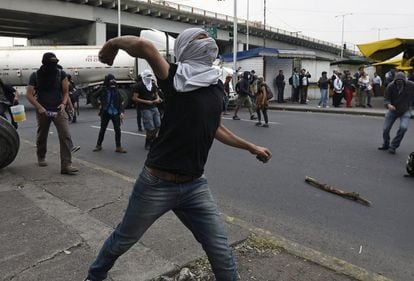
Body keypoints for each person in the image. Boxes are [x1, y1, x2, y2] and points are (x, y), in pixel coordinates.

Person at [84, 27, 272, 281]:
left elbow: (216, 127)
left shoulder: (215, 85)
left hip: (195, 186)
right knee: (123, 240)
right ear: (183, 47)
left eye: (208, 38)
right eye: (199, 38)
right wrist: (112, 43)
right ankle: (94, 276)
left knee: (220, 250)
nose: (207, 41)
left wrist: (251, 147)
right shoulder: (174, 78)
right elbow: (146, 48)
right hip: (156, 184)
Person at [26, 52, 78, 175]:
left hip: (59, 110)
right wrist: (39, 107)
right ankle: (41, 155)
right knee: (42, 135)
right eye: (50, 63)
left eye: (55, 63)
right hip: (43, 110)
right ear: (44, 63)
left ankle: (66, 165)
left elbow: (65, 92)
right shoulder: (35, 76)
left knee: (65, 135)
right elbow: (29, 94)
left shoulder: (61, 74)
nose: (53, 66)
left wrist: (64, 104)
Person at [378, 72, 414, 154]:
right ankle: (386, 144)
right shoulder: (390, 86)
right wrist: (388, 104)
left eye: (401, 81)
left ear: (405, 80)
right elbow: (386, 98)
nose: (399, 83)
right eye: (397, 81)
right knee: (386, 129)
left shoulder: (411, 85)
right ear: (394, 80)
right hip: (393, 110)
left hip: (405, 110)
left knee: (403, 128)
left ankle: (393, 146)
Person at [92, 74, 127, 153]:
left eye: (113, 80)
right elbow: (94, 96)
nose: (112, 82)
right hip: (105, 112)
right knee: (103, 129)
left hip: (115, 112)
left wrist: (121, 112)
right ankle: (98, 145)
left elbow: (121, 102)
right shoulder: (103, 89)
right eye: (110, 80)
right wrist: (99, 103)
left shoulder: (116, 90)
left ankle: (118, 147)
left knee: (117, 130)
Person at [132, 69, 162, 150]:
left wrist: (157, 99)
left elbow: (156, 95)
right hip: (145, 108)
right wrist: (146, 101)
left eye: (150, 76)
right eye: (147, 76)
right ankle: (148, 141)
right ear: (144, 77)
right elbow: (134, 98)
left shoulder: (152, 85)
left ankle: (153, 139)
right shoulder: (138, 86)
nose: (149, 78)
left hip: (154, 107)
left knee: (158, 125)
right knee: (150, 127)